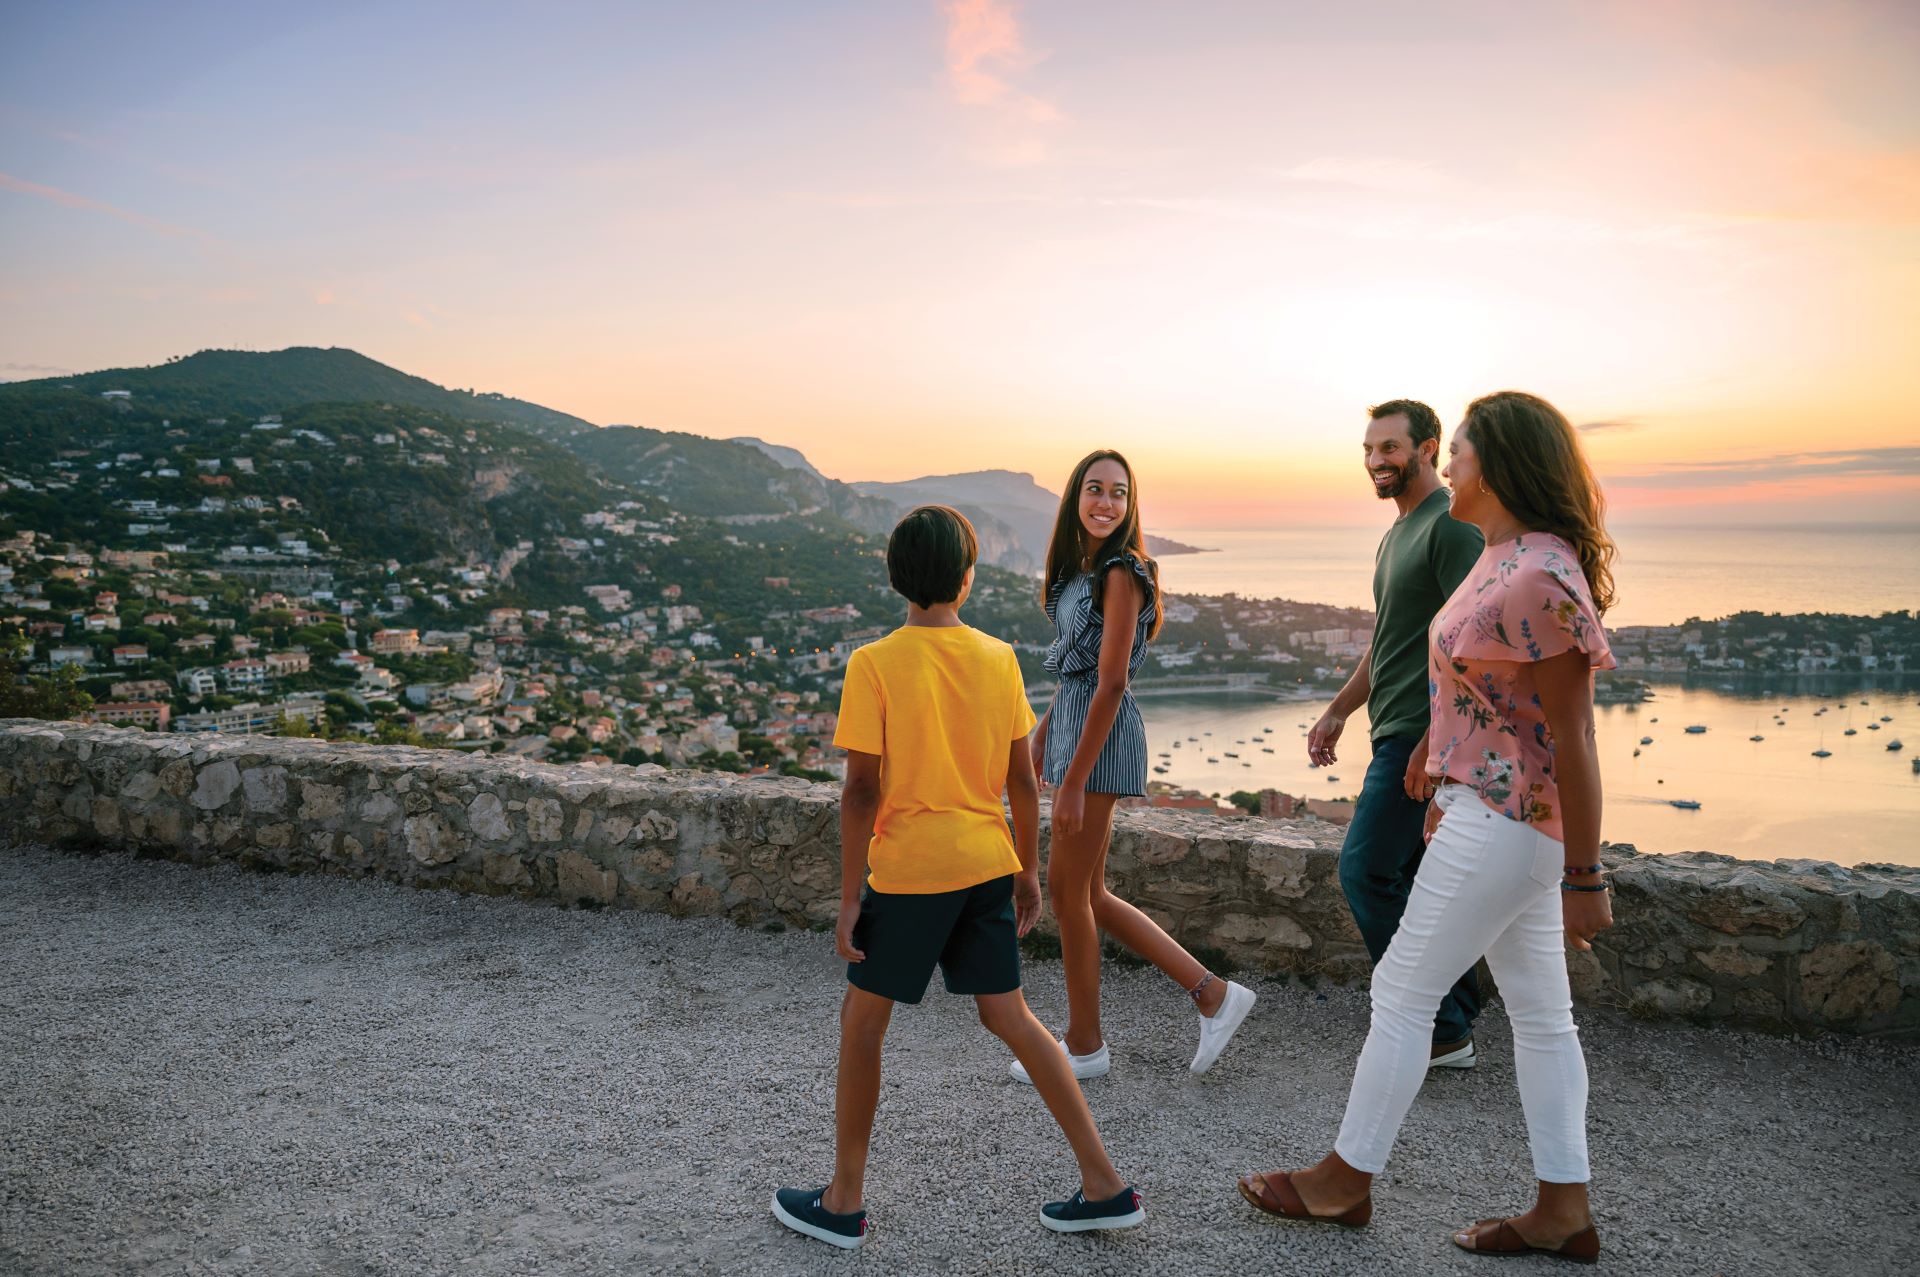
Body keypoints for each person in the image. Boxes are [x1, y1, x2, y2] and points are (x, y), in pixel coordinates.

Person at [1238, 391, 1618, 1265]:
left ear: (1503, 465)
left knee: (1403, 992)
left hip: (1513, 822)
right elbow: (1481, 687)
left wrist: (1586, 875)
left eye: (1464, 453)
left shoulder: (1539, 574)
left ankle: (1344, 1180)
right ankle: (1564, 1207)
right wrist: (1435, 757)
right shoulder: (1500, 554)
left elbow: (1573, 731)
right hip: (1489, 811)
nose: (1450, 465)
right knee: (1541, 1015)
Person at [773, 505, 1145, 1251]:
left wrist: (850, 897)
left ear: (894, 577)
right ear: (969, 578)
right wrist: (1028, 869)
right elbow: (1021, 780)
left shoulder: (873, 663)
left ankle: (843, 1200)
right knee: (1011, 1017)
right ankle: (1105, 1182)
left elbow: (859, 793)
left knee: (863, 1024)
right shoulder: (998, 657)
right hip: (984, 864)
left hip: (910, 873)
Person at [1015, 450, 1255, 1086]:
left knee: (1067, 896)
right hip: (1073, 727)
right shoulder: (1080, 571)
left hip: (1100, 739)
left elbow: (1113, 680)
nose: (1106, 503)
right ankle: (1211, 993)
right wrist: (1043, 733)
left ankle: (1085, 1046)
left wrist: (1071, 782)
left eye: (1119, 494)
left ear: (1130, 505)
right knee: (1089, 894)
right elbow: (1079, 673)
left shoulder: (1122, 572)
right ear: (1076, 499)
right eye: (1095, 490)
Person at [1309, 399, 1486, 1069]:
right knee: (1413, 881)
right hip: (1397, 728)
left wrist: (1431, 744)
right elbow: (1388, 643)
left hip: (1422, 734)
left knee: (1364, 870)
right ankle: (1459, 1013)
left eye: (1389, 447)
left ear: (1429, 447)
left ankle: (1439, 1027)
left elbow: (1468, 645)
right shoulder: (1397, 533)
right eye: (1368, 448)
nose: (1376, 460)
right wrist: (1339, 708)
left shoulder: (1450, 527)